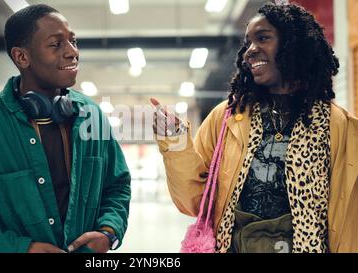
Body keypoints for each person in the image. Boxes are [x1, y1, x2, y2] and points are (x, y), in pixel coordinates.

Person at [152, 2, 357, 253]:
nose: (250, 51)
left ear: (294, 44)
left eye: (263, 38)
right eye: (248, 42)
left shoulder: (338, 126)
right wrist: (174, 141)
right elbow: (193, 200)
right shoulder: (227, 117)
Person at [0, 4, 131, 253]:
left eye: (73, 41)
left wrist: (109, 231)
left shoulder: (91, 115)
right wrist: (22, 249)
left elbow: (117, 185)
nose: (72, 52)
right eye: (56, 44)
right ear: (22, 57)